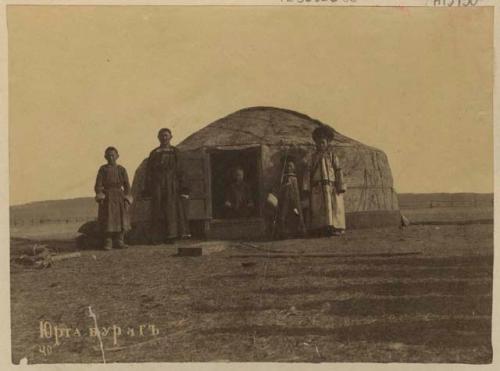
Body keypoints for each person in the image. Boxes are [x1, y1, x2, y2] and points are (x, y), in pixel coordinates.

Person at [142, 128, 190, 244]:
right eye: (162, 136)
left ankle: (171, 236)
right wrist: (148, 188)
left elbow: (181, 171)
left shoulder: (175, 152)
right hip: (157, 184)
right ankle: (157, 237)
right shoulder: (154, 153)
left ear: (171, 137)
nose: (164, 138)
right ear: (158, 138)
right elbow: (149, 172)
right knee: (157, 209)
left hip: (172, 184)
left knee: (171, 209)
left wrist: (183, 187)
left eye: (166, 136)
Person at [303, 125, 346, 237]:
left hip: (331, 186)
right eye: (318, 142)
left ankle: (334, 228)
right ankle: (320, 229)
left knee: (333, 207)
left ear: (327, 143)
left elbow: (338, 171)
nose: (320, 145)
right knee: (318, 208)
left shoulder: (332, 156)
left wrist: (340, 185)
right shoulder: (312, 158)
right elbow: (307, 172)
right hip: (317, 187)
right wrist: (306, 187)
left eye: (323, 142)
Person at [94, 147, 133, 250]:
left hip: (119, 196)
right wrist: (100, 194)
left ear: (117, 156)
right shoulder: (103, 169)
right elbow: (98, 185)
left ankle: (120, 241)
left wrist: (127, 197)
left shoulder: (122, 169)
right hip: (108, 197)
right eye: (109, 155)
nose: (111, 157)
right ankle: (108, 242)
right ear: (105, 157)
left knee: (121, 218)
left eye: (113, 155)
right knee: (108, 219)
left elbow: (127, 185)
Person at [274, 158, 306, 239]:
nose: (289, 168)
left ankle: (299, 231)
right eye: (288, 166)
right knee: (284, 215)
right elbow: (279, 188)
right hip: (285, 200)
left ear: (294, 167)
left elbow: (297, 190)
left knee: (297, 214)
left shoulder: (295, 178)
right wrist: (285, 186)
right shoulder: (283, 177)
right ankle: (284, 233)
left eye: (291, 166)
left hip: (295, 199)